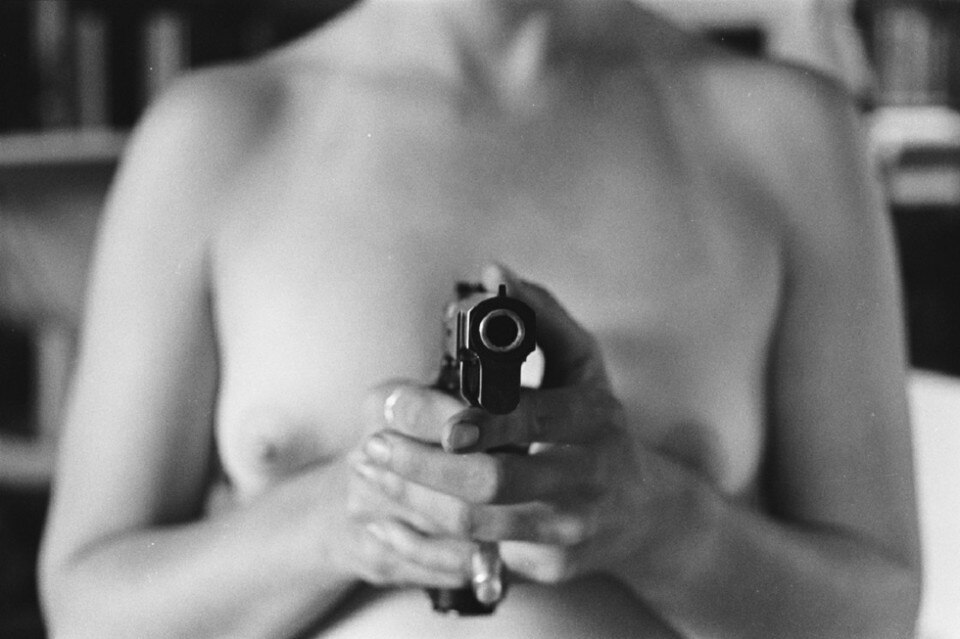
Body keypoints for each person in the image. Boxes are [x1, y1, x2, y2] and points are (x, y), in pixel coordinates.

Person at [39, 1, 921, 637]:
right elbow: (86, 607)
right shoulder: (211, 135)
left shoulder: (789, 134)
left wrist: (661, 524)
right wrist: (336, 523)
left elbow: (879, 613)